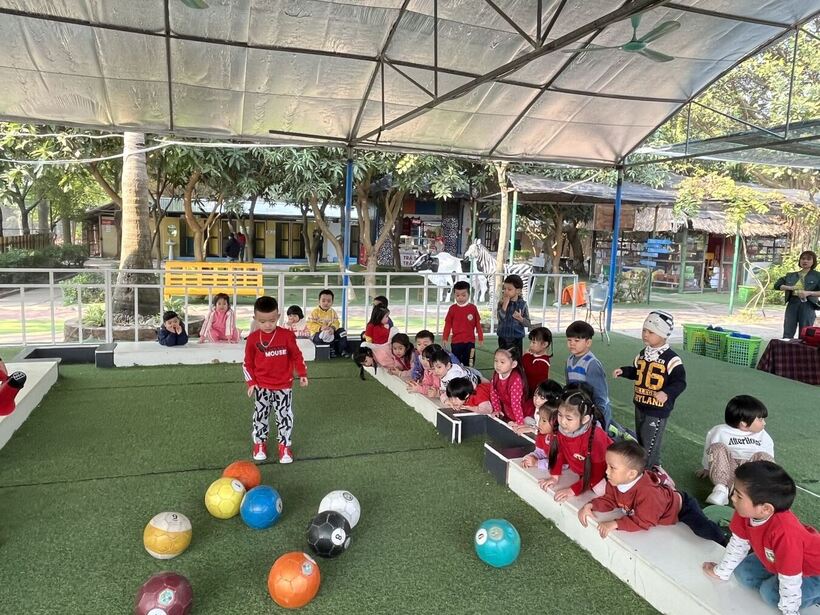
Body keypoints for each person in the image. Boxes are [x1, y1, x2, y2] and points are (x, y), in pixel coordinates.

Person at [703, 461, 820, 615]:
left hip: (812, 571)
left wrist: (789, 611)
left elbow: (790, 578)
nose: (733, 498)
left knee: (770, 594)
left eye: (739, 495)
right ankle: (777, 579)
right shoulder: (745, 511)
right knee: (743, 573)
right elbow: (738, 544)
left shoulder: (785, 533)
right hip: (777, 560)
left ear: (765, 509)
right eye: (734, 492)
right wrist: (721, 572)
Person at [578, 440, 726, 545]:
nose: (606, 471)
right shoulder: (615, 481)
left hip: (682, 508)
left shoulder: (649, 494)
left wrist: (615, 524)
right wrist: (591, 505)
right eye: (607, 466)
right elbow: (610, 500)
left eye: (612, 467)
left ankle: (724, 540)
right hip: (661, 504)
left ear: (631, 474)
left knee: (703, 529)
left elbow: (644, 522)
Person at [613, 310, 686, 469]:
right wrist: (624, 371)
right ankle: (653, 467)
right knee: (642, 440)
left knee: (649, 445)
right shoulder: (643, 354)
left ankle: (647, 471)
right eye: (644, 330)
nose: (645, 334)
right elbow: (637, 372)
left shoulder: (671, 359)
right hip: (640, 404)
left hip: (657, 410)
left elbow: (680, 382)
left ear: (663, 335)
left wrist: (667, 393)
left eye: (651, 332)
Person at [243, 295, 308, 463]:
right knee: (260, 416)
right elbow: (247, 363)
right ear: (255, 318)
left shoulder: (287, 335)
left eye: (272, 320)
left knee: (284, 416)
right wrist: (251, 383)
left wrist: (302, 374)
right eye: (262, 321)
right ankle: (260, 443)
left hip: (283, 386)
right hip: (261, 386)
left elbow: (297, 356)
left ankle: (284, 446)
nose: (267, 325)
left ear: (278, 316)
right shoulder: (252, 339)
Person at [700, 395, 775, 506]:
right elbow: (709, 450)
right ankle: (721, 490)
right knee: (717, 447)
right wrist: (706, 468)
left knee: (764, 456)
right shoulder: (720, 431)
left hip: (750, 476)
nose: (764, 423)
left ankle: (758, 495)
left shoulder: (764, 436)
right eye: (760, 419)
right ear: (743, 423)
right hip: (727, 472)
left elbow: (770, 461)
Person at [539, 388, 612, 501]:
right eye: (560, 415)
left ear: (585, 419)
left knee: (601, 490)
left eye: (569, 418)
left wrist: (572, 490)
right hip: (583, 471)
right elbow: (558, 453)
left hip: (604, 473)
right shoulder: (561, 429)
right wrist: (554, 477)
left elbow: (597, 472)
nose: (562, 422)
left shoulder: (596, 438)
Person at [565, 320, 611, 427]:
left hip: (595, 412)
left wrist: (598, 416)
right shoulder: (569, 360)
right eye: (569, 340)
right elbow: (569, 387)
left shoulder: (592, 364)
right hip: (580, 409)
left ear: (588, 343)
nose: (572, 343)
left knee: (601, 436)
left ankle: (619, 432)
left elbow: (600, 395)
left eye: (577, 340)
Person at [773, 250, 820, 338]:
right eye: (803, 259)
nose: (805, 261)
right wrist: (790, 288)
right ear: (800, 260)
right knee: (788, 330)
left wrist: (809, 293)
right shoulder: (791, 275)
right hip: (792, 302)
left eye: (808, 259)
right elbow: (777, 285)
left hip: (808, 304)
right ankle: (786, 345)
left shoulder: (817, 276)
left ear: (813, 261)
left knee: (805, 332)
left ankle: (803, 346)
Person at [489, 346, 534, 427]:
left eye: (502, 362)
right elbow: (493, 394)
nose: (498, 365)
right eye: (496, 361)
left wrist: (520, 423)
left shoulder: (516, 380)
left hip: (522, 412)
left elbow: (516, 404)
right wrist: (497, 410)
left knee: (528, 422)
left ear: (513, 364)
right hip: (508, 410)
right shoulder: (496, 375)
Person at [443, 281, 483, 367]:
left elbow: (478, 324)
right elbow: (448, 324)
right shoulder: (452, 309)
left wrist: (480, 337)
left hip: (470, 342)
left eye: (463, 295)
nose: (460, 298)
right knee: (456, 362)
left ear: (469, 294)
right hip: (456, 342)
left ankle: (469, 374)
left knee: (469, 362)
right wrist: (445, 337)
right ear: (454, 295)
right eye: (457, 295)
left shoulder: (473, 308)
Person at [520, 388, 560, 470]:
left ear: (557, 422)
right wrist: (531, 457)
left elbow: (562, 464)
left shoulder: (561, 440)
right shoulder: (542, 434)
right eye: (540, 419)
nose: (539, 423)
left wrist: (537, 463)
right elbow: (540, 452)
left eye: (544, 420)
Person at [306, 289, 350, 358]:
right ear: (319, 301)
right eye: (323, 301)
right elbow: (309, 324)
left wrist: (333, 328)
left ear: (332, 302)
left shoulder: (332, 312)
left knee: (342, 332)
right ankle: (330, 349)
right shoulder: (315, 312)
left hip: (331, 331)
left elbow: (336, 322)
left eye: (329, 301)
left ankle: (342, 350)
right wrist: (320, 328)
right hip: (318, 334)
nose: (326, 303)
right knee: (324, 334)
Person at [496, 274, 530, 356]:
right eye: (504, 289)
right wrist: (505, 305)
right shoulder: (501, 303)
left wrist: (520, 319)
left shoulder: (523, 304)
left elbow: (528, 323)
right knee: (504, 357)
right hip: (503, 337)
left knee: (516, 359)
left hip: (517, 338)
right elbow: (500, 318)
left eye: (509, 289)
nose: (506, 291)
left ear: (518, 291)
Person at [522, 326, 552, 396]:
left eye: (533, 342)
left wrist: (526, 355)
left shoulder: (543, 361)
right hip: (529, 391)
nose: (530, 345)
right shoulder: (533, 356)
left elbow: (528, 369)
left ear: (544, 344)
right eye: (530, 342)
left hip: (536, 394)